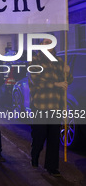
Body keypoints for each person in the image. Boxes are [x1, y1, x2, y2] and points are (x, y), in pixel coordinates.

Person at [29, 38, 73, 177]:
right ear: (40, 45)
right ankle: (35, 154)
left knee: (53, 138)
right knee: (39, 136)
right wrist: (56, 84)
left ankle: (52, 166)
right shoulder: (35, 60)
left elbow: (68, 80)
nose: (48, 45)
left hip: (55, 105)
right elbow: (37, 81)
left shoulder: (59, 61)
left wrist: (68, 71)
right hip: (40, 105)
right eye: (45, 42)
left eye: (50, 42)